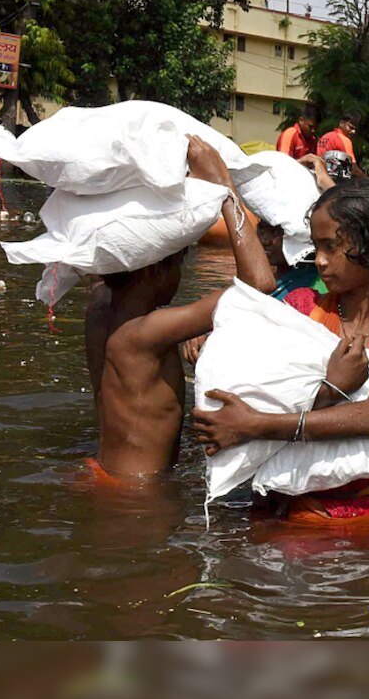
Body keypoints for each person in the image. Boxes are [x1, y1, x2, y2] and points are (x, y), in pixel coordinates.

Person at [191, 179, 369, 528]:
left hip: (355, 516)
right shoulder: (300, 306)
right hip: (273, 504)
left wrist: (255, 425)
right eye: (315, 246)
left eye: (331, 247)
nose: (319, 261)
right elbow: (261, 384)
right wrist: (214, 345)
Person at [84, 136, 277, 477]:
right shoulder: (147, 332)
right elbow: (260, 283)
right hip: (140, 495)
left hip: (105, 471)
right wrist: (223, 186)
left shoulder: (99, 305)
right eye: (177, 264)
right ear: (155, 269)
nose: (179, 274)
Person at [181, 154, 336, 366]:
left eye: (276, 231)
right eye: (263, 227)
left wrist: (328, 185)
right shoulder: (278, 279)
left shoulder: (318, 287)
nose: (265, 239)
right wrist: (204, 326)